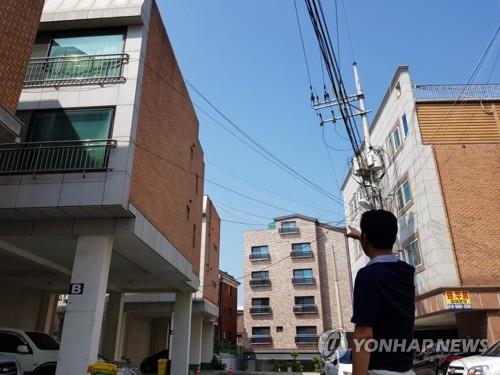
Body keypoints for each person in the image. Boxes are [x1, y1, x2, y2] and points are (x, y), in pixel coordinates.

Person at [347, 209, 415, 375]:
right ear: (393, 236)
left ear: (366, 238)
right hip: (406, 369)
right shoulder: (406, 272)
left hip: (380, 370)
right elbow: (382, 255)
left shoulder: (367, 276)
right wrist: (361, 236)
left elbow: (364, 334)